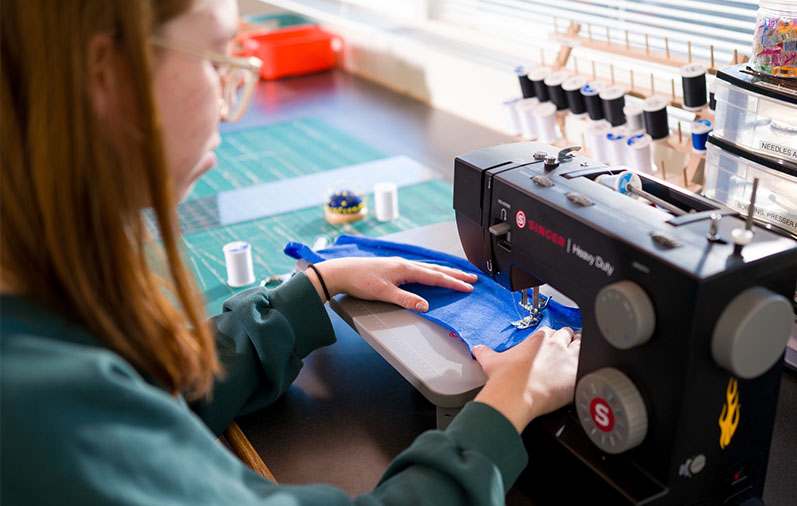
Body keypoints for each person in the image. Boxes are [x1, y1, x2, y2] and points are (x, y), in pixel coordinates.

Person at [0, 0, 581, 504]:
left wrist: (314, 288)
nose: (238, 99)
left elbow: (161, 395)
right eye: (216, 60)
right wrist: (509, 404)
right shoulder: (40, 406)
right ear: (107, 74)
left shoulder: (40, 322)